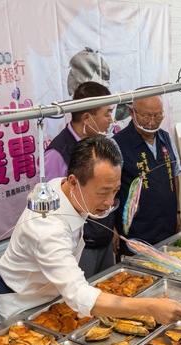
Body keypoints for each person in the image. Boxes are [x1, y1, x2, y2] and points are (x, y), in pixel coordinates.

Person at [0, 135, 181, 325]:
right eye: (103, 192)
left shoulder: (66, 190)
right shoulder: (47, 228)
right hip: (21, 299)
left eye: (115, 191)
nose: (110, 202)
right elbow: (78, 294)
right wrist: (150, 306)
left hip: (53, 292)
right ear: (73, 182)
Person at [44, 81, 117, 278]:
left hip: (104, 237)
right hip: (78, 247)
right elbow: (53, 210)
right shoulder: (57, 153)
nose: (111, 119)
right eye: (107, 113)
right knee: (82, 303)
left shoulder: (100, 145)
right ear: (87, 118)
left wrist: (112, 227)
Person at [113, 95, 181, 253]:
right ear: (132, 112)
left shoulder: (165, 137)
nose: (152, 121)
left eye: (158, 115)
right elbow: (111, 190)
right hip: (137, 229)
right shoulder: (117, 144)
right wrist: (113, 227)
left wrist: (177, 211)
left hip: (167, 223)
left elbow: (175, 175)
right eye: (146, 115)